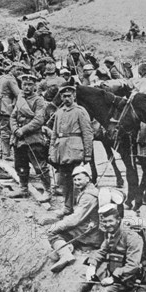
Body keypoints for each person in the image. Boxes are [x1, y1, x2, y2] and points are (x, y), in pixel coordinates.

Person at [46, 204, 143, 292]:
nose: (107, 224)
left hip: (128, 275)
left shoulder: (132, 237)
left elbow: (133, 266)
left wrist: (113, 278)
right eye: (104, 221)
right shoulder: (111, 233)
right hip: (113, 267)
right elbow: (101, 252)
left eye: (110, 221)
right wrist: (92, 266)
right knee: (85, 275)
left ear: (118, 220)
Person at [45, 165, 104, 273]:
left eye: (79, 179)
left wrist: (56, 226)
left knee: (53, 233)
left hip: (90, 233)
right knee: (65, 232)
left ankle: (65, 254)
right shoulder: (89, 190)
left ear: (88, 179)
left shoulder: (88, 195)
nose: (76, 182)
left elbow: (75, 219)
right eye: (75, 180)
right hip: (90, 231)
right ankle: (66, 249)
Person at [48, 85, 94, 216]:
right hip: (62, 151)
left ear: (74, 96)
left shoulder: (80, 111)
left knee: (78, 181)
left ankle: (79, 209)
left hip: (75, 151)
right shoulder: (59, 113)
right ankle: (68, 207)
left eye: (69, 96)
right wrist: (52, 151)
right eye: (64, 96)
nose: (67, 98)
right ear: (61, 97)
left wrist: (88, 154)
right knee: (64, 181)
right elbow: (54, 135)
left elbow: (87, 133)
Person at [9, 74, 52, 201]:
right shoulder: (20, 98)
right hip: (19, 138)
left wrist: (23, 130)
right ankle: (23, 189)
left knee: (40, 166)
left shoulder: (39, 100)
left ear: (34, 86)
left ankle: (48, 191)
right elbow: (13, 116)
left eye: (29, 85)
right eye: (24, 84)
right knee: (20, 164)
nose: (26, 87)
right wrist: (15, 130)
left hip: (33, 138)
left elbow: (39, 119)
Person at [0, 63, 22, 160]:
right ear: (12, 69)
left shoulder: (1, 77)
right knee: (7, 129)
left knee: (3, 128)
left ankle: (2, 151)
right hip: (7, 106)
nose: (19, 72)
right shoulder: (11, 79)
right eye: (18, 70)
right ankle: (6, 154)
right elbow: (18, 94)